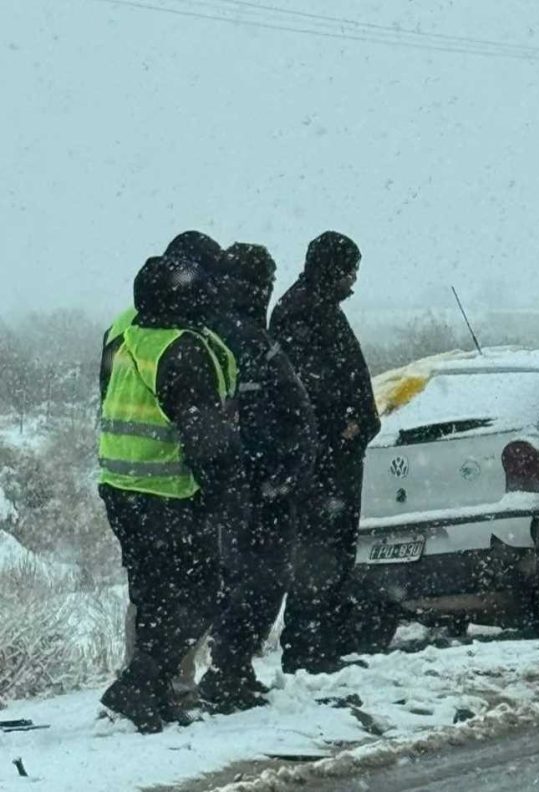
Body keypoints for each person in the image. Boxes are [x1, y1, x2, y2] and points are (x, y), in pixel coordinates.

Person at [97, 252, 246, 733]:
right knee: (200, 595)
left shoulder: (126, 334)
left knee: (154, 594)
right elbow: (206, 440)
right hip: (169, 493)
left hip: (121, 487)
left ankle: (148, 690)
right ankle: (139, 685)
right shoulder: (184, 349)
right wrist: (230, 495)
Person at [199, 243, 317, 712]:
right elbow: (286, 409)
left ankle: (228, 668)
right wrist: (284, 469)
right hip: (259, 482)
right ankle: (229, 670)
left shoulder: (208, 331)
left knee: (236, 577)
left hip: (230, 482)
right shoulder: (248, 337)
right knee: (262, 578)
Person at [270, 231, 380, 674]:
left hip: (334, 459)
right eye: (349, 269)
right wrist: (345, 424)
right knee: (318, 554)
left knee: (333, 553)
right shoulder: (301, 311)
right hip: (322, 462)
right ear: (331, 267)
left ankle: (325, 644)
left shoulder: (317, 307)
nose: (353, 280)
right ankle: (308, 648)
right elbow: (308, 390)